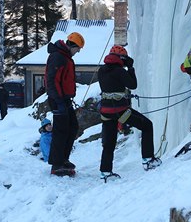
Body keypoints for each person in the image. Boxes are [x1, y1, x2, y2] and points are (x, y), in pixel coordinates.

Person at [98, 45, 161, 181]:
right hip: (120, 111)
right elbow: (133, 85)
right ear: (121, 58)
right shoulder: (120, 71)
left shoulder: (101, 70)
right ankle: (148, 159)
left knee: (109, 142)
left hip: (106, 112)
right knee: (147, 125)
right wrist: (130, 68)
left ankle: (105, 172)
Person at [44, 31, 84, 176]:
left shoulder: (64, 56)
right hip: (58, 99)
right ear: (72, 45)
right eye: (77, 49)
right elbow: (52, 80)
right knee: (61, 131)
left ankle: (63, 159)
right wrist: (59, 100)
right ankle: (57, 164)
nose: (78, 52)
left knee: (72, 127)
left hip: (64, 99)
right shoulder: (58, 57)